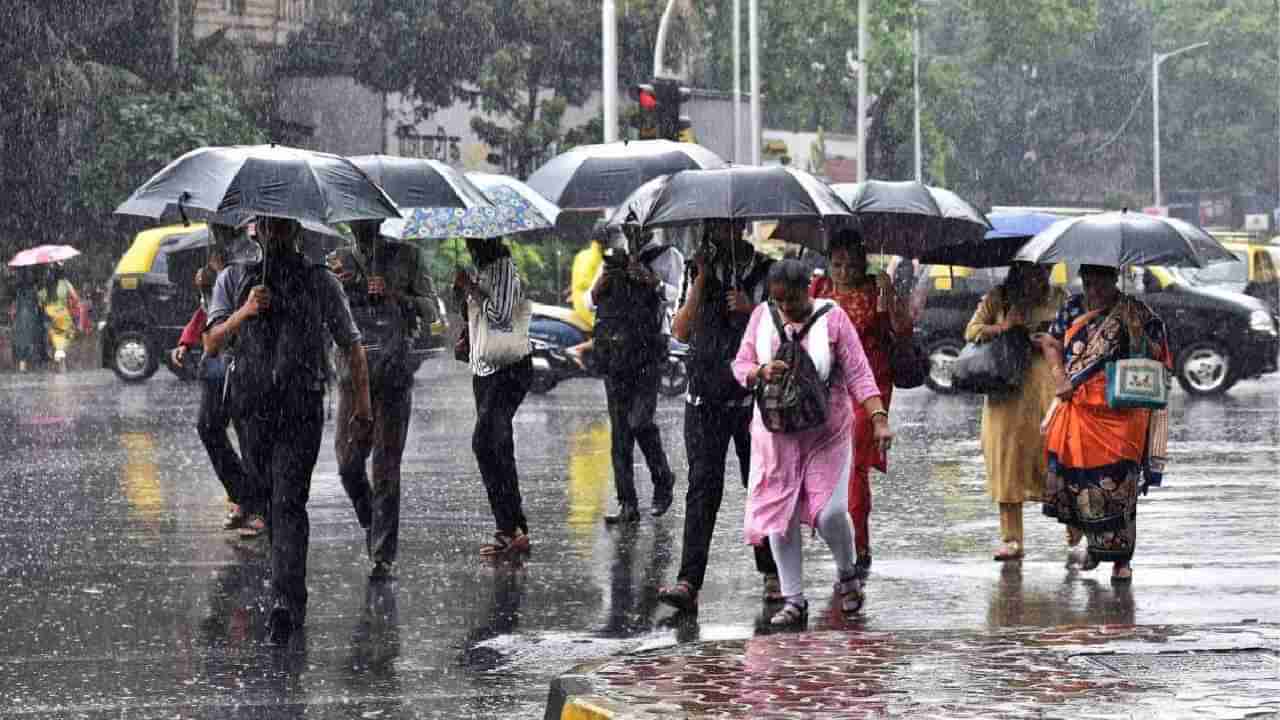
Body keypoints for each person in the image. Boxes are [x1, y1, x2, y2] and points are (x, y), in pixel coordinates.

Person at [204, 215, 372, 640]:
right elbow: (212, 341)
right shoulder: (234, 278)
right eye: (268, 227)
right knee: (267, 502)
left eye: (283, 227)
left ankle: (287, 600)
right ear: (256, 231)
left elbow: (350, 341)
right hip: (251, 407)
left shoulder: (319, 281)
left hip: (301, 406)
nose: (274, 234)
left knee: (290, 500)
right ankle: (285, 588)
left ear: (297, 232)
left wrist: (363, 405)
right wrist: (247, 310)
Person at [733, 260, 893, 627]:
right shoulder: (761, 317)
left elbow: (859, 373)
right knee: (779, 517)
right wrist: (759, 372)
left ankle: (847, 574)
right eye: (778, 302)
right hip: (775, 438)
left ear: (808, 289)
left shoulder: (833, 319)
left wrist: (879, 420)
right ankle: (794, 600)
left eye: (791, 300)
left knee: (830, 513)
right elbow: (740, 365)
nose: (786, 309)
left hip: (827, 433)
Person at [657, 220, 781, 612]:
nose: (716, 233)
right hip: (703, 400)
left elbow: (784, 329)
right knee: (702, 490)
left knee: (759, 486)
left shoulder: (765, 271)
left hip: (751, 401)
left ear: (741, 226)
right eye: (711, 227)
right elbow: (679, 330)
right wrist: (701, 281)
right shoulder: (698, 272)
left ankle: (773, 574)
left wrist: (752, 310)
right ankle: (688, 582)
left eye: (725, 225)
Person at [1039, 264, 1170, 584]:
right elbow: (1050, 342)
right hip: (1078, 409)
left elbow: (1160, 356)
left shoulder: (1136, 311)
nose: (1094, 290)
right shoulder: (1071, 307)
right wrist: (1060, 377)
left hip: (1122, 413)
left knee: (1119, 488)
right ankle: (1096, 547)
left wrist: (1136, 334)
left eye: (1101, 283)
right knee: (1080, 483)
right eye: (1088, 282)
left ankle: (1121, 560)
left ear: (1115, 280)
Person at [328, 219, 438, 580]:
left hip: (392, 375)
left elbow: (431, 310)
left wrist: (396, 295)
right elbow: (324, 313)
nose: (360, 226)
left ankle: (382, 555)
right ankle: (372, 521)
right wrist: (338, 290)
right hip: (351, 376)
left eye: (367, 220)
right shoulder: (337, 260)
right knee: (347, 463)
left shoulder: (407, 256)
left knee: (387, 468)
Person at [808, 229, 911, 576]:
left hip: (869, 384)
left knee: (854, 463)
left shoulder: (875, 289)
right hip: (827, 386)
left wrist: (889, 295)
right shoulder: (818, 291)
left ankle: (859, 542)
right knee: (824, 464)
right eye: (837, 264)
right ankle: (836, 533)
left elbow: (900, 328)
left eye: (851, 265)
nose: (843, 272)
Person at [964, 262, 1066, 560]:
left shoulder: (1059, 298)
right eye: (1034, 270)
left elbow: (1073, 337)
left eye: (1045, 269)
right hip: (1005, 390)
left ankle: (1074, 525)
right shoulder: (998, 297)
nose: (1041, 275)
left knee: (1055, 456)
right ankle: (1011, 539)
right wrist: (1004, 328)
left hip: (1045, 386)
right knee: (1006, 460)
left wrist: (1047, 340)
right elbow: (971, 331)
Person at [587, 229, 682, 524]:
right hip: (615, 352)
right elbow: (591, 301)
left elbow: (676, 297)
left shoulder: (667, 255)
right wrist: (607, 277)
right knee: (620, 433)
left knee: (640, 420)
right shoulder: (615, 255)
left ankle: (663, 479)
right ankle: (627, 504)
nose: (631, 233)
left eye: (637, 227)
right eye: (627, 228)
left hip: (648, 351)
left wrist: (651, 280)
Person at [456, 237, 534, 557]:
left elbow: (500, 317)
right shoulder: (485, 270)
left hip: (507, 369)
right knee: (498, 446)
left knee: (485, 443)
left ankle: (510, 526)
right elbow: (475, 315)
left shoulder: (503, 270)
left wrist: (471, 288)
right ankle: (512, 529)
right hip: (485, 369)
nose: (467, 242)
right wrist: (465, 288)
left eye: (471, 239)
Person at [171, 225, 251, 532]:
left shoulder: (249, 254)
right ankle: (244, 495)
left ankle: (255, 507)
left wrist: (219, 279)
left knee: (249, 436)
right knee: (208, 427)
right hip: (215, 361)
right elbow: (207, 310)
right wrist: (186, 341)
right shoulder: (212, 255)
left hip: (243, 358)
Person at [39, 263, 79, 371]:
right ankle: (61, 365)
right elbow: (75, 297)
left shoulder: (45, 285)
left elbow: (40, 301)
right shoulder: (65, 283)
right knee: (64, 336)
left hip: (49, 314)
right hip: (61, 313)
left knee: (53, 338)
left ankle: (57, 362)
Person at [10, 267, 46, 372]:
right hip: (30, 318)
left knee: (22, 341)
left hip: (20, 319)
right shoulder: (33, 290)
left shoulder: (18, 290)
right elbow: (39, 305)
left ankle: (23, 365)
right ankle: (37, 364)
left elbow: (16, 304)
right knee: (34, 339)